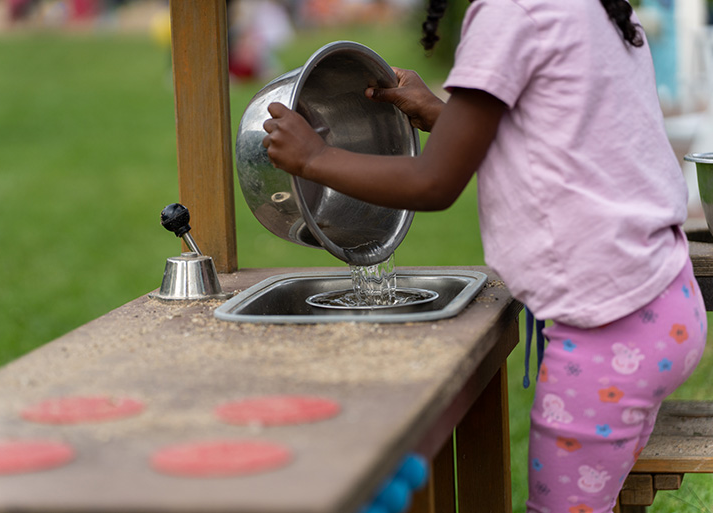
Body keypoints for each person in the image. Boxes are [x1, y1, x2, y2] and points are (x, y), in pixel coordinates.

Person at [262, 0, 708, 511]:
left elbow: (435, 182)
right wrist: (440, 113)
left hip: (608, 335)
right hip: (662, 300)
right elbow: (553, 128)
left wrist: (316, 158)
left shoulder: (509, 11)